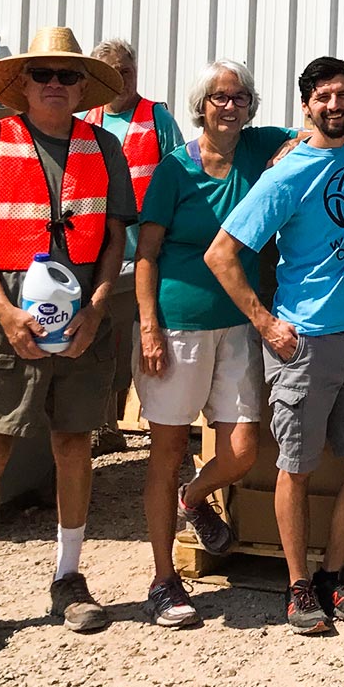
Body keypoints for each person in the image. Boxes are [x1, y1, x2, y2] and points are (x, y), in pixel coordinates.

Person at [0, 27, 134, 654]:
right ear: (22, 83)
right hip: (4, 323)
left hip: (82, 324)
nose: (56, 85)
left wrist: (99, 307)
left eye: (68, 75)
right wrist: (2, 312)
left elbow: (114, 241)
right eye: (44, 75)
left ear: (84, 86)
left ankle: (69, 578)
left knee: (75, 445)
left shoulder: (102, 145)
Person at [206, 56, 344, 635]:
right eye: (323, 97)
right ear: (307, 105)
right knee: (297, 466)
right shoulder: (285, 174)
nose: (335, 105)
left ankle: (334, 574)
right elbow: (221, 254)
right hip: (303, 340)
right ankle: (297, 586)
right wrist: (265, 323)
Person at [133, 60, 295, 627]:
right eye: (220, 98)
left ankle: (191, 499)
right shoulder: (174, 170)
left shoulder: (259, 147)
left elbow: (317, 132)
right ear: (200, 105)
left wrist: (289, 149)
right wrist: (149, 325)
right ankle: (162, 580)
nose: (231, 106)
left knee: (244, 450)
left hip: (241, 325)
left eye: (242, 97)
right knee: (167, 451)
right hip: (178, 326)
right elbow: (147, 253)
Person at [81, 38, 186, 452]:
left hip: (144, 253)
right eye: (114, 72)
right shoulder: (87, 119)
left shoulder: (156, 116)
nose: (123, 80)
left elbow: (180, 174)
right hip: (98, 252)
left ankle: (163, 427)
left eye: (128, 70)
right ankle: (105, 426)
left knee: (144, 338)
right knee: (101, 339)